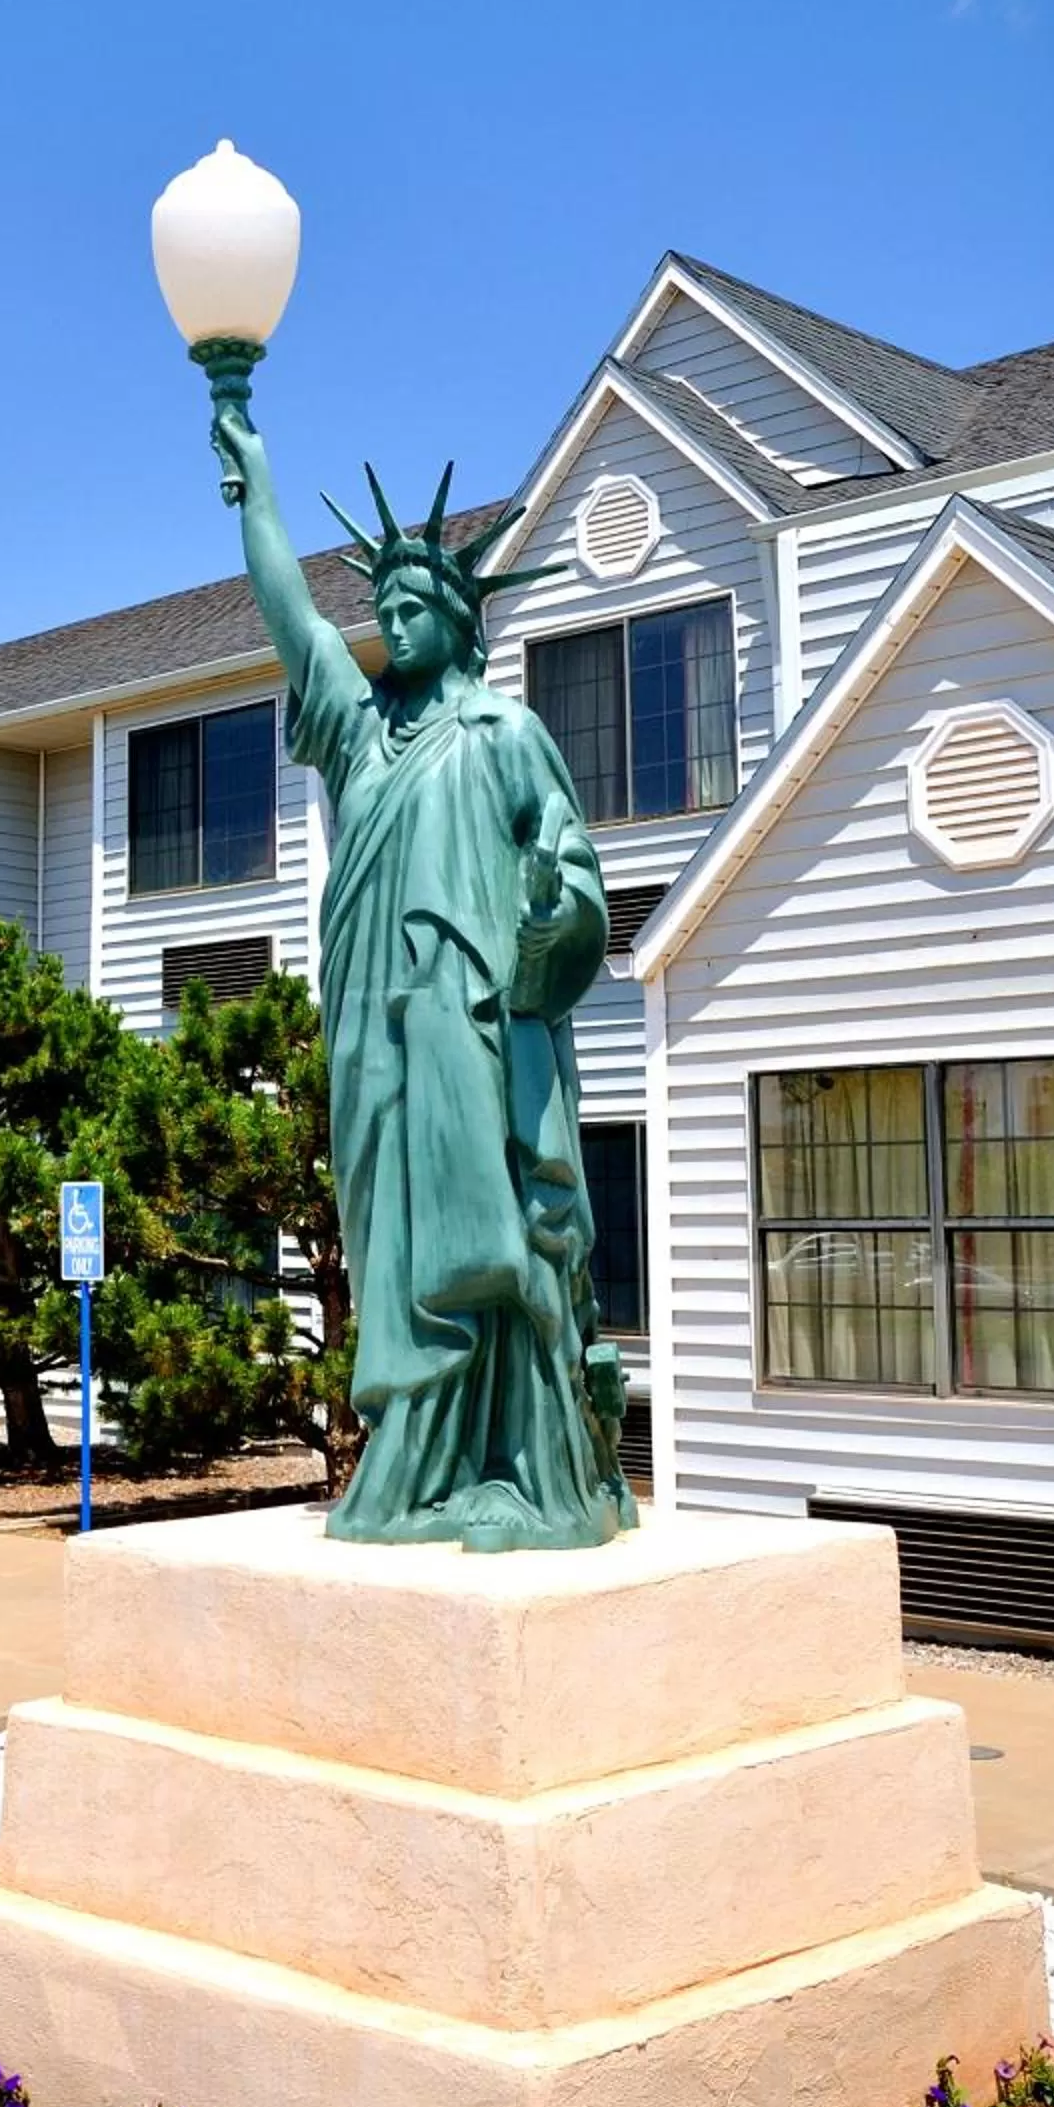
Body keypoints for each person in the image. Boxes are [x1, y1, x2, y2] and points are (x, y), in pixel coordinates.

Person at [210, 387, 636, 1551]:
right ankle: (415, 1468)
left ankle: (521, 1469)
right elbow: (294, 619)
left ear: (458, 620)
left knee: (482, 1227)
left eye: (412, 609)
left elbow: (573, 869)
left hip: (467, 1019)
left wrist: (550, 908)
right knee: (387, 1239)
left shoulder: (503, 735)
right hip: (366, 1025)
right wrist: (254, 486)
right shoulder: (356, 734)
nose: (392, 626)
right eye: (384, 609)